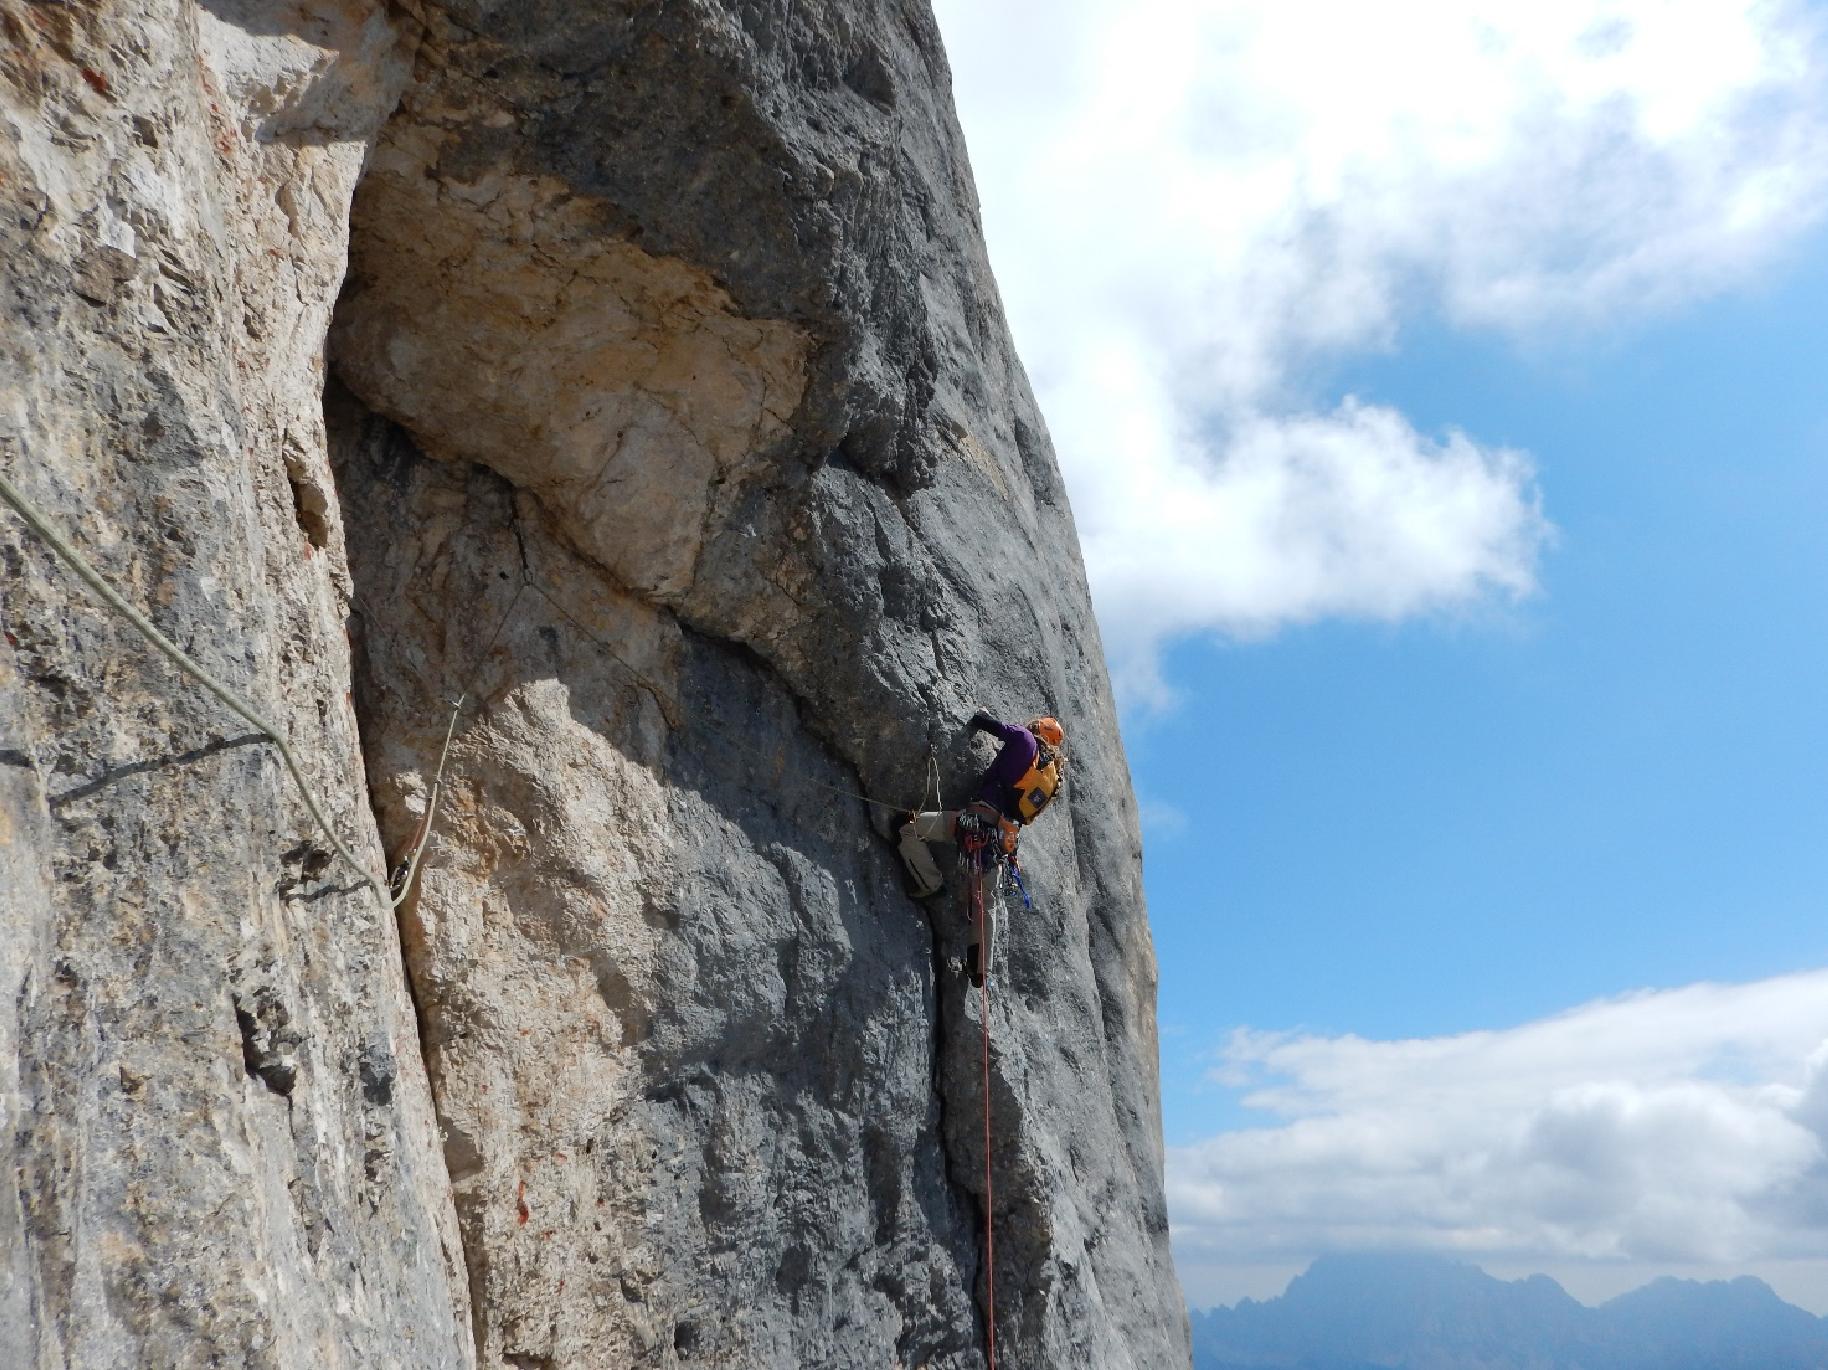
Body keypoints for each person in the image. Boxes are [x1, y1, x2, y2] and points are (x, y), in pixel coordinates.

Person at [898, 710, 1067, 985]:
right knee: (985, 902)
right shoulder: (1048, 779)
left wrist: (982, 715)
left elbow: (987, 723)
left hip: (974, 820)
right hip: (1001, 842)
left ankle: (931, 882)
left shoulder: (1024, 738)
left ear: (1037, 729)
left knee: (908, 829)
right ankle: (980, 971)